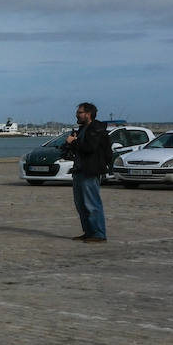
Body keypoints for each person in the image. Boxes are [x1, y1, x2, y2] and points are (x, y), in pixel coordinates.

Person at [64, 102, 109, 243]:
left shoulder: (96, 129)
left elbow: (90, 147)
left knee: (92, 203)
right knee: (81, 204)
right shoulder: (82, 129)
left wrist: (73, 142)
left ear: (88, 114)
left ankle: (99, 234)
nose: (77, 115)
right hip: (79, 170)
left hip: (90, 170)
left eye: (80, 112)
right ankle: (89, 232)